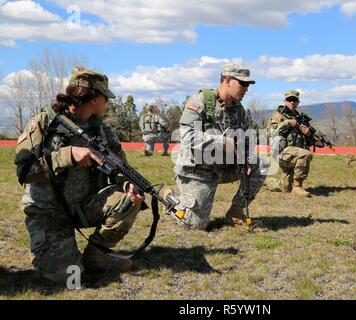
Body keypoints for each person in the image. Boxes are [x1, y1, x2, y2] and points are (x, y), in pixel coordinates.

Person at [14, 67, 144, 284]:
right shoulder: (44, 123)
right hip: (49, 213)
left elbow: (121, 168)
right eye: (106, 98)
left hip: (83, 206)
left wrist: (127, 184)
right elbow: (24, 172)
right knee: (69, 278)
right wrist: (67, 155)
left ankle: (97, 257)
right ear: (93, 98)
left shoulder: (102, 130)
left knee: (128, 198)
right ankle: (47, 252)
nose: (108, 103)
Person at [166, 63, 268, 230]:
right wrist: (222, 142)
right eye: (242, 84)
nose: (246, 89)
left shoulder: (238, 109)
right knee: (194, 225)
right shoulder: (200, 101)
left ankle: (235, 211)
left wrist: (246, 158)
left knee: (261, 164)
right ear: (227, 81)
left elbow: (247, 137)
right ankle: (170, 199)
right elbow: (187, 137)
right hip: (197, 172)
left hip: (222, 168)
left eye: (248, 85)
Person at [265, 90, 322, 197]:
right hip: (282, 153)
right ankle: (298, 187)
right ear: (285, 101)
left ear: (298, 102)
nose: (292, 102)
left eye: (295, 100)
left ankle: (268, 181)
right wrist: (288, 123)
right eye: (289, 100)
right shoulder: (278, 115)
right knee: (306, 154)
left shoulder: (300, 118)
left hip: (294, 156)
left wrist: (308, 134)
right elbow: (271, 131)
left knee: (285, 188)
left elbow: (314, 143)